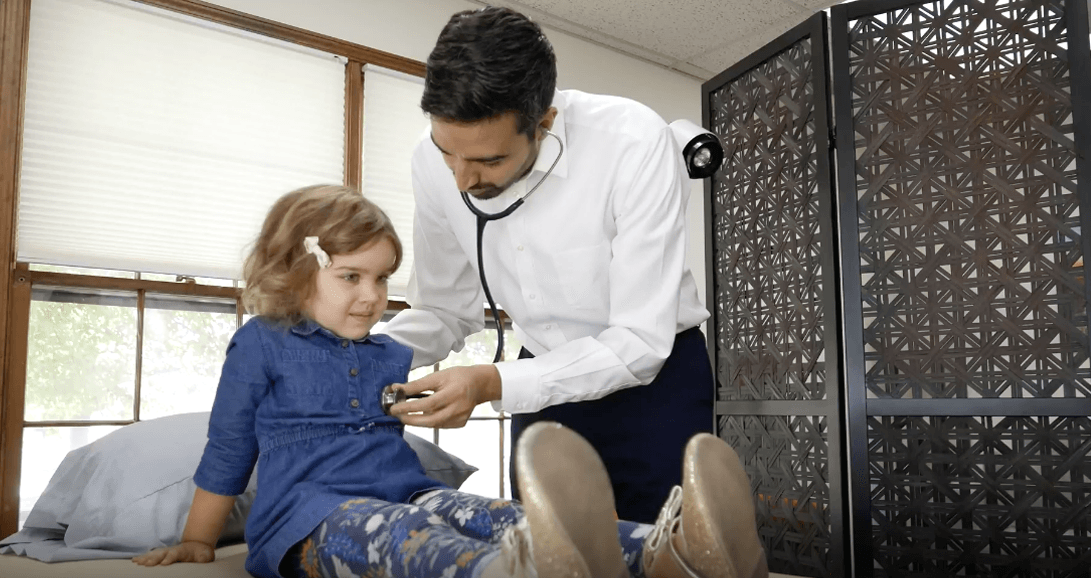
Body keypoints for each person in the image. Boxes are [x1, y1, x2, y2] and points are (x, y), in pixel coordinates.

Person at [128, 184, 764, 578]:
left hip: (406, 490)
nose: (374, 297)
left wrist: (453, 399)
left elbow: (442, 385)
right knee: (410, 537)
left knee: (498, 513)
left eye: (382, 280)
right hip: (310, 520)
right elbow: (229, 448)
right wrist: (196, 540)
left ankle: (679, 549)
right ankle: (518, 573)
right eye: (351, 277)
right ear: (293, 271)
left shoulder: (386, 353)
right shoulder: (259, 345)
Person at [383, 6, 715, 524]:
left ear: (544, 122)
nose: (461, 181)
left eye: (489, 161)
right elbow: (444, 308)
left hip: (657, 378)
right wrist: (356, 358)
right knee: (549, 548)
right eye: (448, 152)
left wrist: (493, 383)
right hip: (539, 373)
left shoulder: (633, 142)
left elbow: (639, 343)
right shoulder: (430, 162)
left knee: (663, 547)